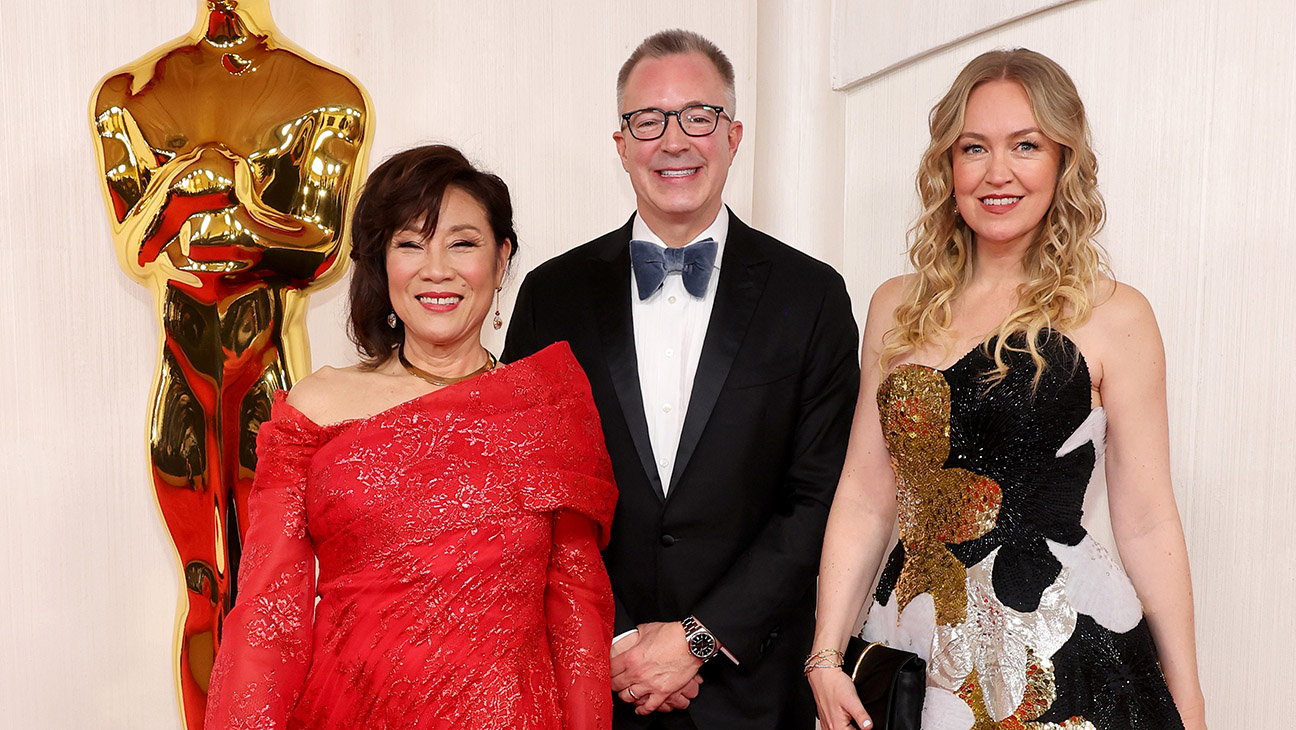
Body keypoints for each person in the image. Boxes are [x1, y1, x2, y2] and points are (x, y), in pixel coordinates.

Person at [807, 49, 1206, 730]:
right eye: (974, 148)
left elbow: (1145, 520)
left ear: (1062, 161)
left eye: (1025, 145)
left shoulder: (1115, 315)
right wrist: (826, 655)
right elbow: (866, 497)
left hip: (1063, 653)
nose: (997, 172)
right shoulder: (896, 307)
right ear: (948, 166)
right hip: (910, 646)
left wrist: (1188, 698)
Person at [505, 29, 860, 730]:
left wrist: (699, 638)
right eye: (649, 121)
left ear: (733, 136)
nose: (674, 141)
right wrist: (618, 641)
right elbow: (530, 489)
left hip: (755, 691)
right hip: (594, 683)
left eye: (698, 117)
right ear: (621, 144)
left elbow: (820, 495)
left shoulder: (811, 294)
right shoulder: (551, 295)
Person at [203, 145, 618, 730]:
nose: (436, 269)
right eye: (410, 244)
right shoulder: (315, 409)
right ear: (382, 263)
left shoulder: (547, 406)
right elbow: (269, 616)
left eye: (462, 243)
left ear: (502, 259)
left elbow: (579, 619)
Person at [89, 2, 370, 722]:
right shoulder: (128, 96)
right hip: (182, 378)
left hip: (269, 379)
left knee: (275, 592)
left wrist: (228, 194)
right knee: (204, 585)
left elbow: (321, 251)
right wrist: (190, 183)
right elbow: (138, 249)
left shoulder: (324, 95)